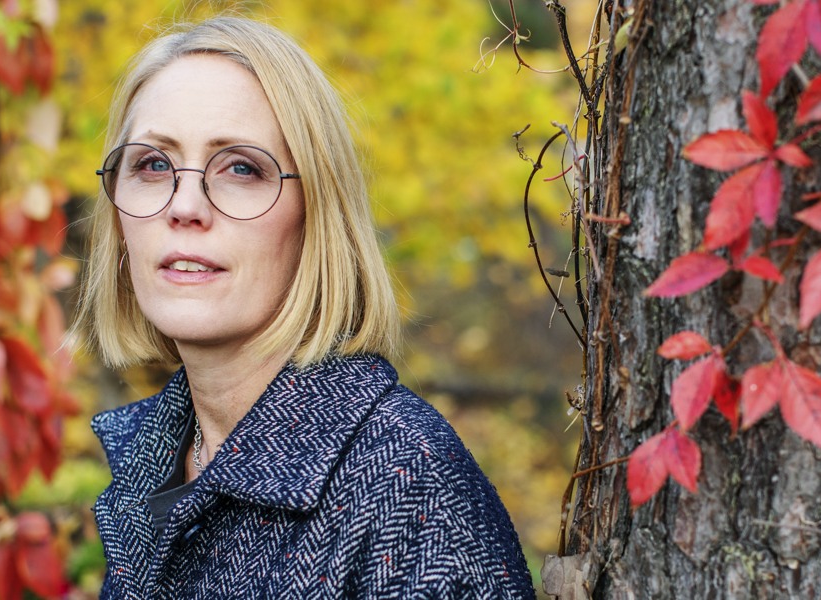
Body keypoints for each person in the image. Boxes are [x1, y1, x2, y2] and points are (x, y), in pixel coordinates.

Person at [73, 17, 535, 598]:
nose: (184, 206)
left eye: (241, 168)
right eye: (153, 164)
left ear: (317, 213)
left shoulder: (408, 486)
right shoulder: (155, 459)